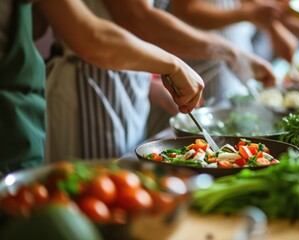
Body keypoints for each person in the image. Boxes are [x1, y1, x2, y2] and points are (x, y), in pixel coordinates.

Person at [36, 0, 276, 163]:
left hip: (127, 79)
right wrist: (227, 54)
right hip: (90, 88)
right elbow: (137, 20)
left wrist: (151, 88)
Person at [0, 0, 205, 174]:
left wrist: (152, 87)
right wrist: (174, 66)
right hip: (84, 89)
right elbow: (93, 36)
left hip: (22, 99)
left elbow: (35, 24)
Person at [155, 0, 299, 98]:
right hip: (200, 62)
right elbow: (187, 10)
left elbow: (257, 6)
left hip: (236, 56)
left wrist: (274, 27)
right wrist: (248, 14)